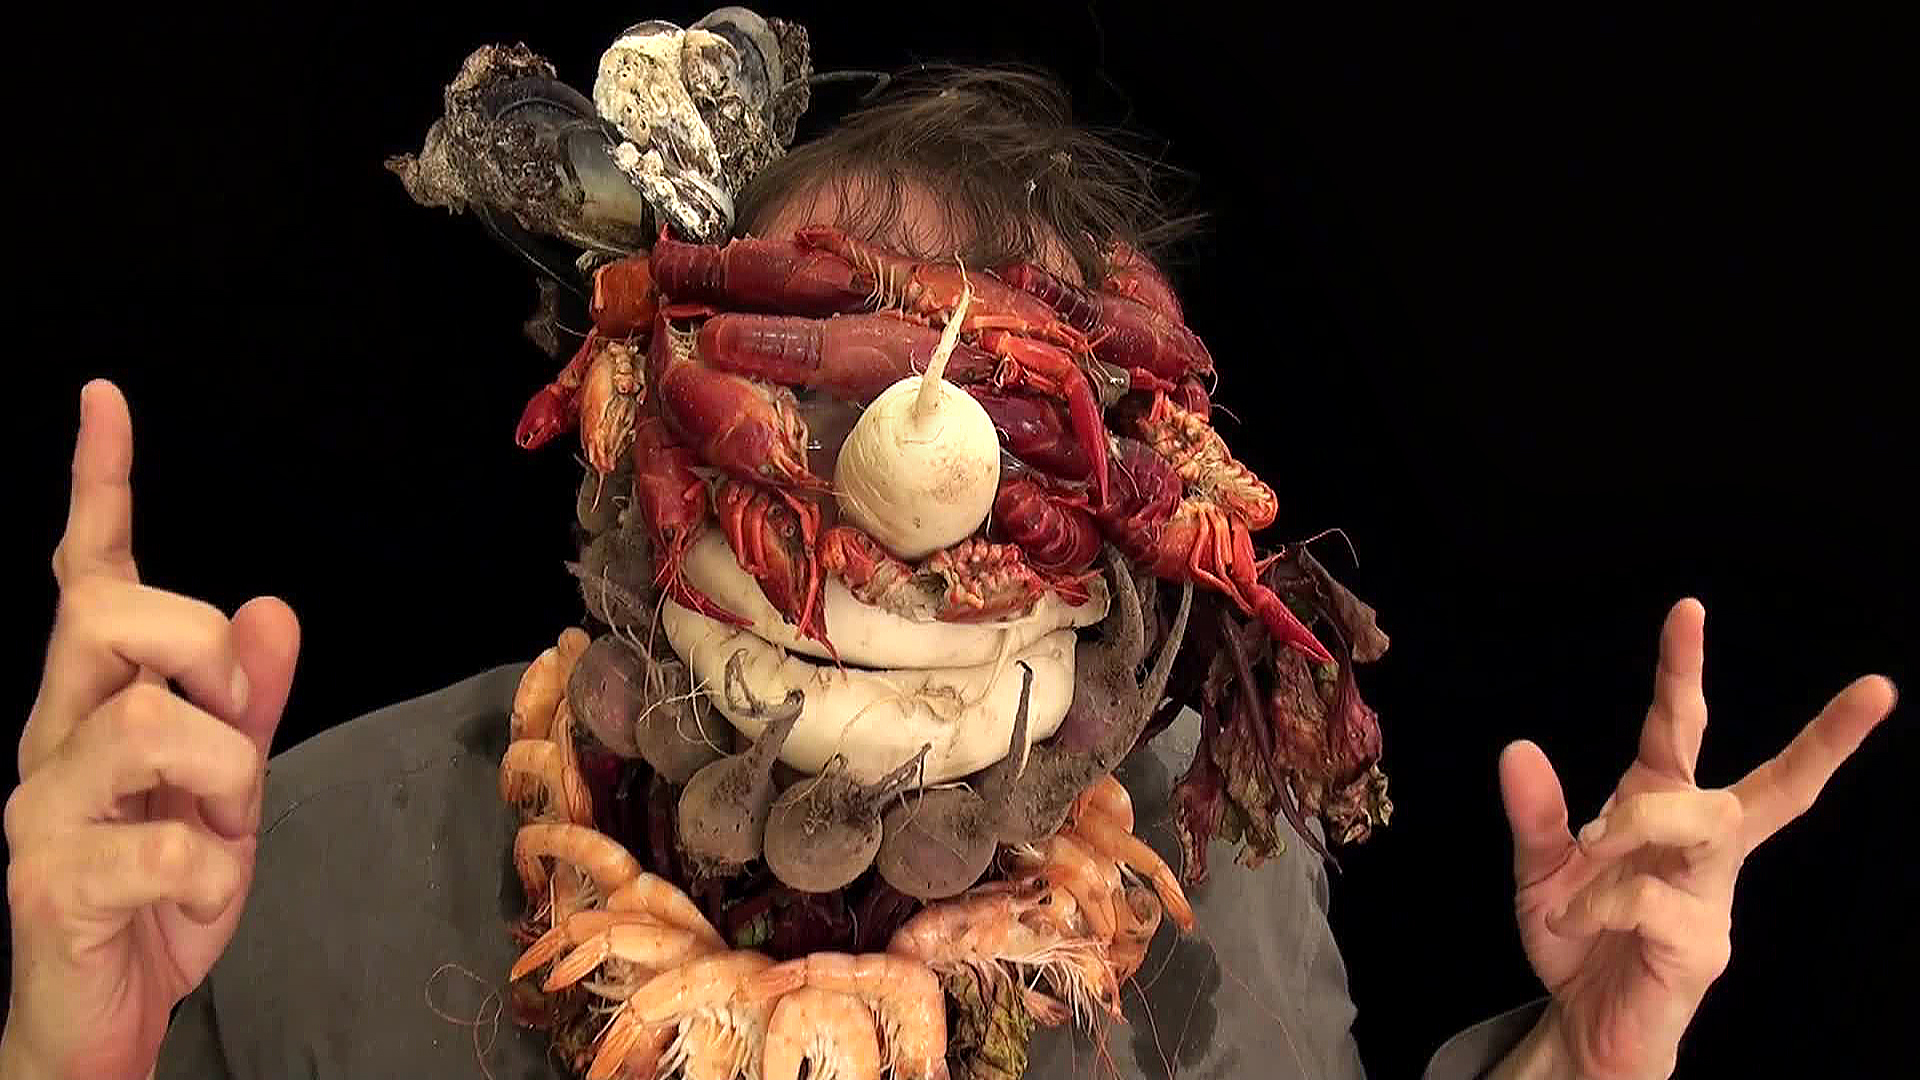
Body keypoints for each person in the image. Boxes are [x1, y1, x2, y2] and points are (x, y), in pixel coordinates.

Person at [2, 70, 1897, 1080]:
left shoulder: (1217, 881)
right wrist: (71, 1055)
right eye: (820, 403)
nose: (907, 519)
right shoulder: (282, 868)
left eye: (1000, 429)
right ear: (630, 430)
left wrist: (1586, 1061)